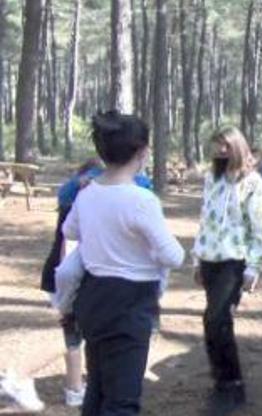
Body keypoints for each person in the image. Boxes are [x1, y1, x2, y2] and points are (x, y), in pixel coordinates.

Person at [63, 111, 185, 415]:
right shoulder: (141, 200)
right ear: (142, 152)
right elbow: (174, 256)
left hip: (93, 299)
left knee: (99, 387)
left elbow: (70, 230)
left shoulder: (87, 192)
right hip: (129, 304)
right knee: (123, 400)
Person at [38, 158, 153, 408]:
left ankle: (77, 388)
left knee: (78, 336)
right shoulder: (84, 192)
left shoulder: (80, 192)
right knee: (82, 334)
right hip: (83, 272)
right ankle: (75, 387)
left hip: (74, 272)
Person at [191, 127, 262, 415]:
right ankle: (220, 380)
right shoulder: (212, 179)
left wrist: (254, 267)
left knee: (218, 319)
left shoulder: (253, 183)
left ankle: (233, 385)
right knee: (211, 321)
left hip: (233, 260)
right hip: (209, 258)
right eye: (216, 146)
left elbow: (258, 228)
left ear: (237, 147)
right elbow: (205, 220)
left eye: (225, 146)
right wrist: (197, 260)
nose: (219, 151)